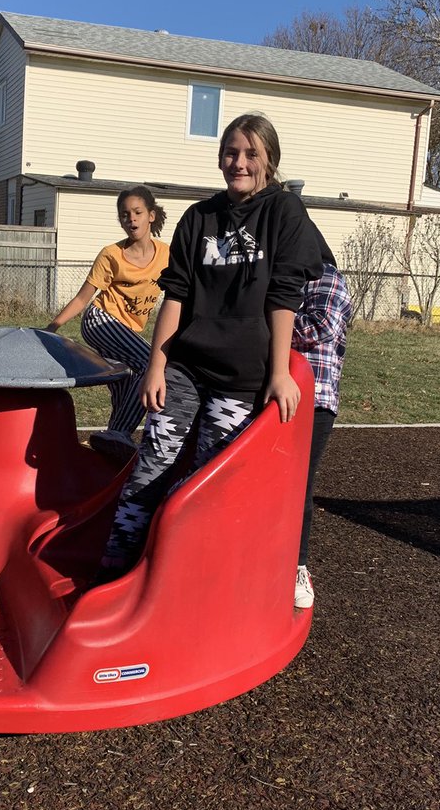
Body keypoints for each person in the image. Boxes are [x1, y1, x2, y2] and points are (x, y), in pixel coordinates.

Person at [101, 113, 323, 575]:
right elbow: (176, 295)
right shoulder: (199, 216)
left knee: (210, 480)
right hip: (186, 366)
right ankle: (116, 568)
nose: (238, 162)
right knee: (151, 467)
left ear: (269, 160)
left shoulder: (284, 212)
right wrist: (156, 366)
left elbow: (285, 296)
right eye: (230, 152)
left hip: (241, 377)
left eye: (250, 154)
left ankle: (192, 572)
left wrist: (278, 372)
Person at [46, 188, 170, 461]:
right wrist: (52, 327)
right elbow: (82, 298)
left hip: (127, 332)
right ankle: (120, 434)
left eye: (137, 213)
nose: (131, 219)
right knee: (151, 364)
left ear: (151, 215)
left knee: (127, 383)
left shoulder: (166, 256)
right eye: (125, 215)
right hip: (100, 320)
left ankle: (112, 442)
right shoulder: (111, 255)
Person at [291, 233, 353, 609]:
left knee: (299, 485)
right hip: (276, 397)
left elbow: (318, 328)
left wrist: (267, 322)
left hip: (315, 402)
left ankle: (298, 565)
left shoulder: (327, 278)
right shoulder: (282, 282)